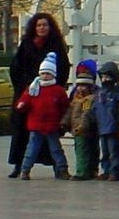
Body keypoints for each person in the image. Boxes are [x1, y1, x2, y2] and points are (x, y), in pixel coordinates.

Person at [7, 13, 71, 178]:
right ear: (34, 27)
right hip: (27, 93)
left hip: (48, 96)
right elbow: (15, 68)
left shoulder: (56, 45)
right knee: (22, 132)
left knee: (50, 135)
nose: (42, 28)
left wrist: (55, 87)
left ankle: (57, 167)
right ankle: (19, 165)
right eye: (39, 25)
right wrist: (26, 86)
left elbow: (63, 68)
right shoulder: (26, 44)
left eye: (45, 25)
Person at [15, 52, 71, 180]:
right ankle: (25, 170)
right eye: (43, 73)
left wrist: (63, 122)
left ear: (53, 74)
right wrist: (21, 105)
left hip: (52, 126)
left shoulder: (58, 91)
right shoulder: (33, 88)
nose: (45, 76)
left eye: (48, 73)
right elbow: (24, 101)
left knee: (56, 150)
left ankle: (62, 170)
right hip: (36, 125)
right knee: (31, 150)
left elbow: (65, 107)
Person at [93, 61, 119, 181]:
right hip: (102, 127)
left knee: (115, 152)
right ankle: (106, 170)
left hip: (114, 128)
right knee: (106, 152)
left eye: (108, 76)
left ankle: (115, 172)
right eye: (103, 77)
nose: (105, 79)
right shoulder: (99, 93)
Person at [61, 64, 98, 180]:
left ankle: (82, 172)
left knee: (84, 151)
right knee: (83, 150)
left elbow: (86, 114)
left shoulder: (89, 99)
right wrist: (64, 122)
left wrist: (81, 127)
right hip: (77, 129)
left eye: (84, 86)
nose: (80, 88)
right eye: (79, 86)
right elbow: (69, 112)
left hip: (83, 130)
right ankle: (90, 170)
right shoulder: (76, 99)